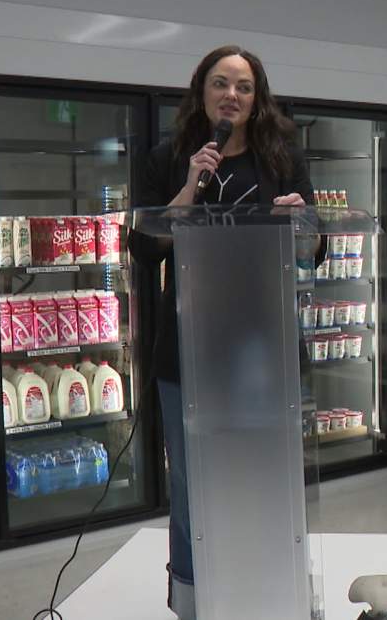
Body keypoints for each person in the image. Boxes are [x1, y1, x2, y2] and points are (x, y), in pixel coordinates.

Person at [134, 45, 314, 620]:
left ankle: (265, 594)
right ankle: (193, 603)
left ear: (257, 99)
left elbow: (314, 249)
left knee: (261, 475)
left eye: (243, 86)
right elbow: (143, 247)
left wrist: (301, 220)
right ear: (201, 93)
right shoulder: (167, 159)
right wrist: (189, 186)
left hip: (264, 350)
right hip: (186, 349)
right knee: (190, 487)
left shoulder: (282, 161)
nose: (231, 95)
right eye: (220, 84)